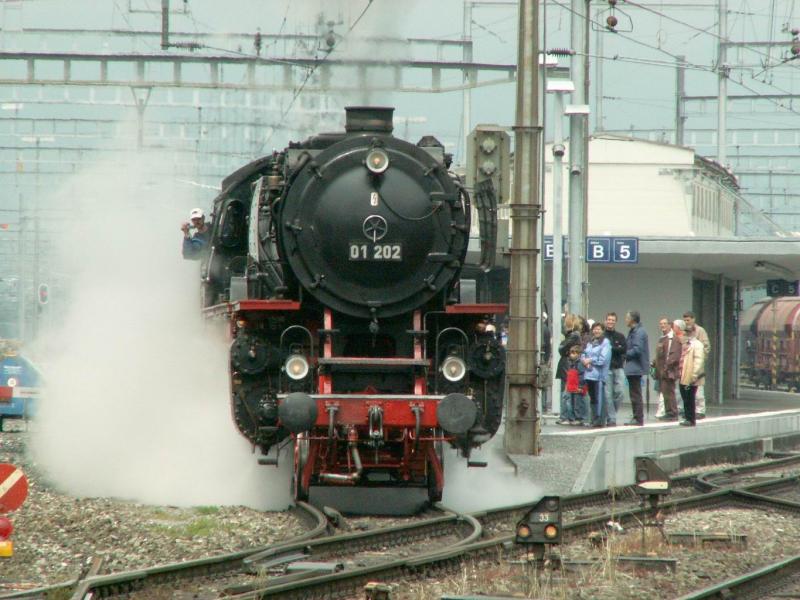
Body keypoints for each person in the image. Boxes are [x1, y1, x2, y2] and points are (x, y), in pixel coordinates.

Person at [675, 318, 706, 426]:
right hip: (683, 375)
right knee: (685, 397)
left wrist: (694, 374)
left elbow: (698, 360)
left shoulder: (697, 344)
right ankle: (688, 417)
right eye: (685, 332)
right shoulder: (685, 344)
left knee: (690, 397)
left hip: (692, 377)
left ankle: (691, 419)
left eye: (688, 332)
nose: (686, 334)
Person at [582, 321, 612, 427]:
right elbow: (584, 353)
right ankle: (594, 418)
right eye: (595, 329)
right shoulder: (590, 342)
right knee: (593, 397)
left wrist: (590, 360)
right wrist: (585, 361)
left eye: (599, 329)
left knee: (600, 398)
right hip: (589, 374)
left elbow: (602, 359)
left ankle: (599, 419)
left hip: (599, 376)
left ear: (602, 331)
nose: (596, 331)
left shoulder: (605, 342)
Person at [623, 310, 650, 426]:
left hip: (635, 367)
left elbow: (637, 349)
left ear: (632, 319)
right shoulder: (635, 331)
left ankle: (638, 418)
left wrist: (625, 354)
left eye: (627, 318)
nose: (625, 320)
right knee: (634, 393)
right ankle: (636, 416)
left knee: (635, 393)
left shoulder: (638, 332)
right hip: (633, 366)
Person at [683, 311, 710, 419]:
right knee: (686, 389)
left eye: (688, 320)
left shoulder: (700, 331)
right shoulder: (684, 332)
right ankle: (689, 410)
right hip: (686, 365)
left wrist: (701, 359)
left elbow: (706, 346)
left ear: (693, 319)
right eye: (684, 320)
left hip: (697, 364)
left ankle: (700, 410)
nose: (686, 322)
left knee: (698, 389)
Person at [653, 316, 682, 421]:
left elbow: (674, 355)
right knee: (665, 392)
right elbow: (660, 355)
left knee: (670, 392)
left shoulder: (673, 339)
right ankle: (668, 412)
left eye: (665, 323)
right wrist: (654, 363)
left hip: (669, 371)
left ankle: (673, 413)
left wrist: (667, 367)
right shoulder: (662, 338)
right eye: (661, 324)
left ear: (670, 325)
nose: (662, 326)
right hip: (662, 371)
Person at [603, 312, 626, 426]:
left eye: (612, 320)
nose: (610, 322)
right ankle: (611, 418)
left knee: (620, 392)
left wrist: (612, 348)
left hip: (618, 367)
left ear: (615, 322)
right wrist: (617, 348)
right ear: (605, 321)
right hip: (606, 368)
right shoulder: (602, 336)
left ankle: (611, 413)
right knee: (607, 394)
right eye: (609, 319)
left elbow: (624, 349)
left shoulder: (620, 336)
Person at [556, 345, 587, 426]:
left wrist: (580, 386)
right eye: (571, 353)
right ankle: (574, 417)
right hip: (572, 385)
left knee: (578, 402)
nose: (571, 355)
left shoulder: (579, 363)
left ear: (579, 354)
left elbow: (581, 375)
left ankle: (579, 418)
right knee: (573, 402)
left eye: (574, 353)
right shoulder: (571, 362)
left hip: (577, 385)